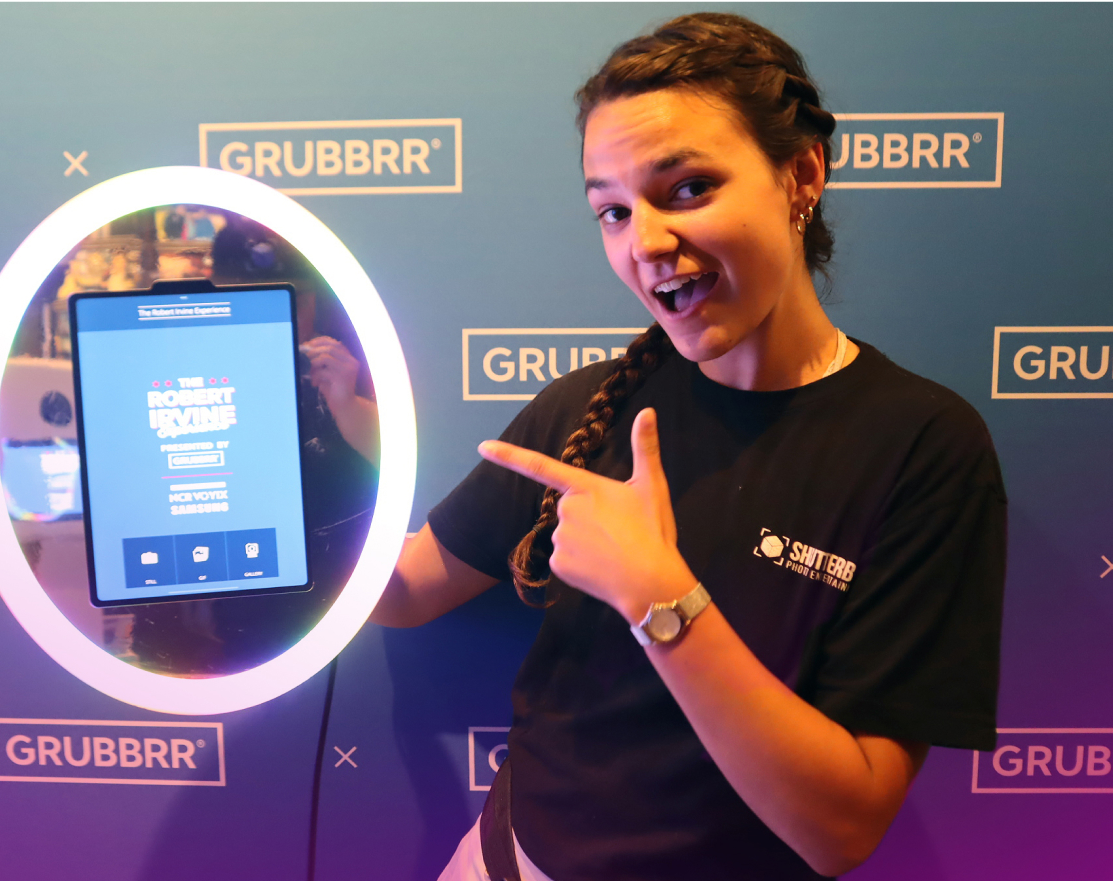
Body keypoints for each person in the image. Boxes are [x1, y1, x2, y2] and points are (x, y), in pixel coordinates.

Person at [371, 13, 1005, 881]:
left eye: (686, 189)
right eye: (612, 210)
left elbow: (842, 826)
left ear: (801, 175)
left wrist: (655, 593)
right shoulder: (585, 408)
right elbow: (405, 588)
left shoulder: (921, 447)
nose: (644, 243)